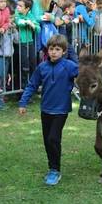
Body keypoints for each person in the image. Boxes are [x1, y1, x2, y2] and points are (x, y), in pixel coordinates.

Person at [18, 34, 78, 186]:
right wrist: (23, 102)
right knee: (47, 140)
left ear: (64, 51)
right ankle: (52, 166)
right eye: (51, 49)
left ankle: (55, 170)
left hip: (61, 110)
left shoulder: (70, 66)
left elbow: (84, 77)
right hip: (45, 109)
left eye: (57, 49)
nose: (53, 52)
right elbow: (32, 84)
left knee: (53, 138)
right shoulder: (42, 67)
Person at [15, 0, 40, 89]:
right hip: (21, 44)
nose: (18, 7)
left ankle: (31, 87)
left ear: (27, 8)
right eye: (18, 5)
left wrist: (33, 25)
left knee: (32, 64)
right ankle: (22, 89)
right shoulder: (17, 14)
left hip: (30, 43)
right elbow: (18, 22)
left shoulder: (30, 15)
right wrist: (27, 22)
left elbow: (38, 28)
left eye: (20, 6)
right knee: (23, 66)